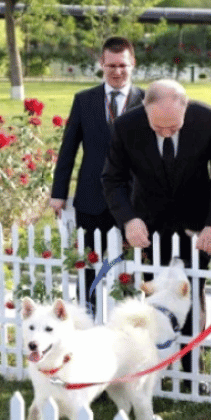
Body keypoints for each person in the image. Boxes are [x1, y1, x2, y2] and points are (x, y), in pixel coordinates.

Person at [102, 79, 211, 387]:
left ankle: (191, 369)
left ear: (185, 108)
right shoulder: (126, 126)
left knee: (191, 293)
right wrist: (129, 220)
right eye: (158, 127)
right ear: (145, 111)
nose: (166, 132)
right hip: (148, 225)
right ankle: (156, 365)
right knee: (153, 295)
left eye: (173, 127)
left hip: (196, 225)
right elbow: (112, 179)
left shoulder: (208, 119)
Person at [50, 37, 145, 316]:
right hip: (91, 201)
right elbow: (68, 150)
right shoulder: (84, 101)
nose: (117, 72)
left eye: (123, 65)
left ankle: (128, 324)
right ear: (101, 64)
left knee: (130, 269)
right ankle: (86, 319)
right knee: (88, 269)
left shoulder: (148, 100)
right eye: (111, 65)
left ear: (133, 64)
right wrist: (58, 192)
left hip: (132, 203)